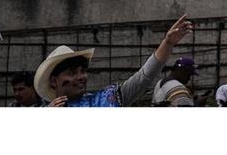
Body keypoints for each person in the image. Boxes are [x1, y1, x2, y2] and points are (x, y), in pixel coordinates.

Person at [36, 14, 193, 107]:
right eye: (71, 72)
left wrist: (168, 43)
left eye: (83, 71)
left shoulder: (106, 100)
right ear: (53, 81)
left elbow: (143, 79)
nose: (80, 77)